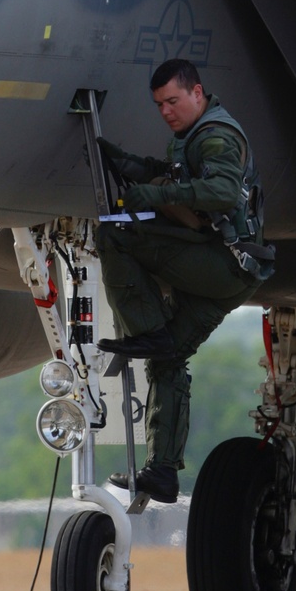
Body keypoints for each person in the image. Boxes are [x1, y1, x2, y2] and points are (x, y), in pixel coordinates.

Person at [95, 59, 272, 504]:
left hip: (222, 265)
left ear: (197, 92)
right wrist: (133, 165)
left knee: (114, 233)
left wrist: (157, 194)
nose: (166, 112)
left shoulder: (215, 136)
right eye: (159, 105)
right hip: (234, 275)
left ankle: (147, 330)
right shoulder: (194, 136)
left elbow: (221, 192)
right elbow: (182, 177)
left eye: (173, 101)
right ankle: (162, 472)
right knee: (168, 358)